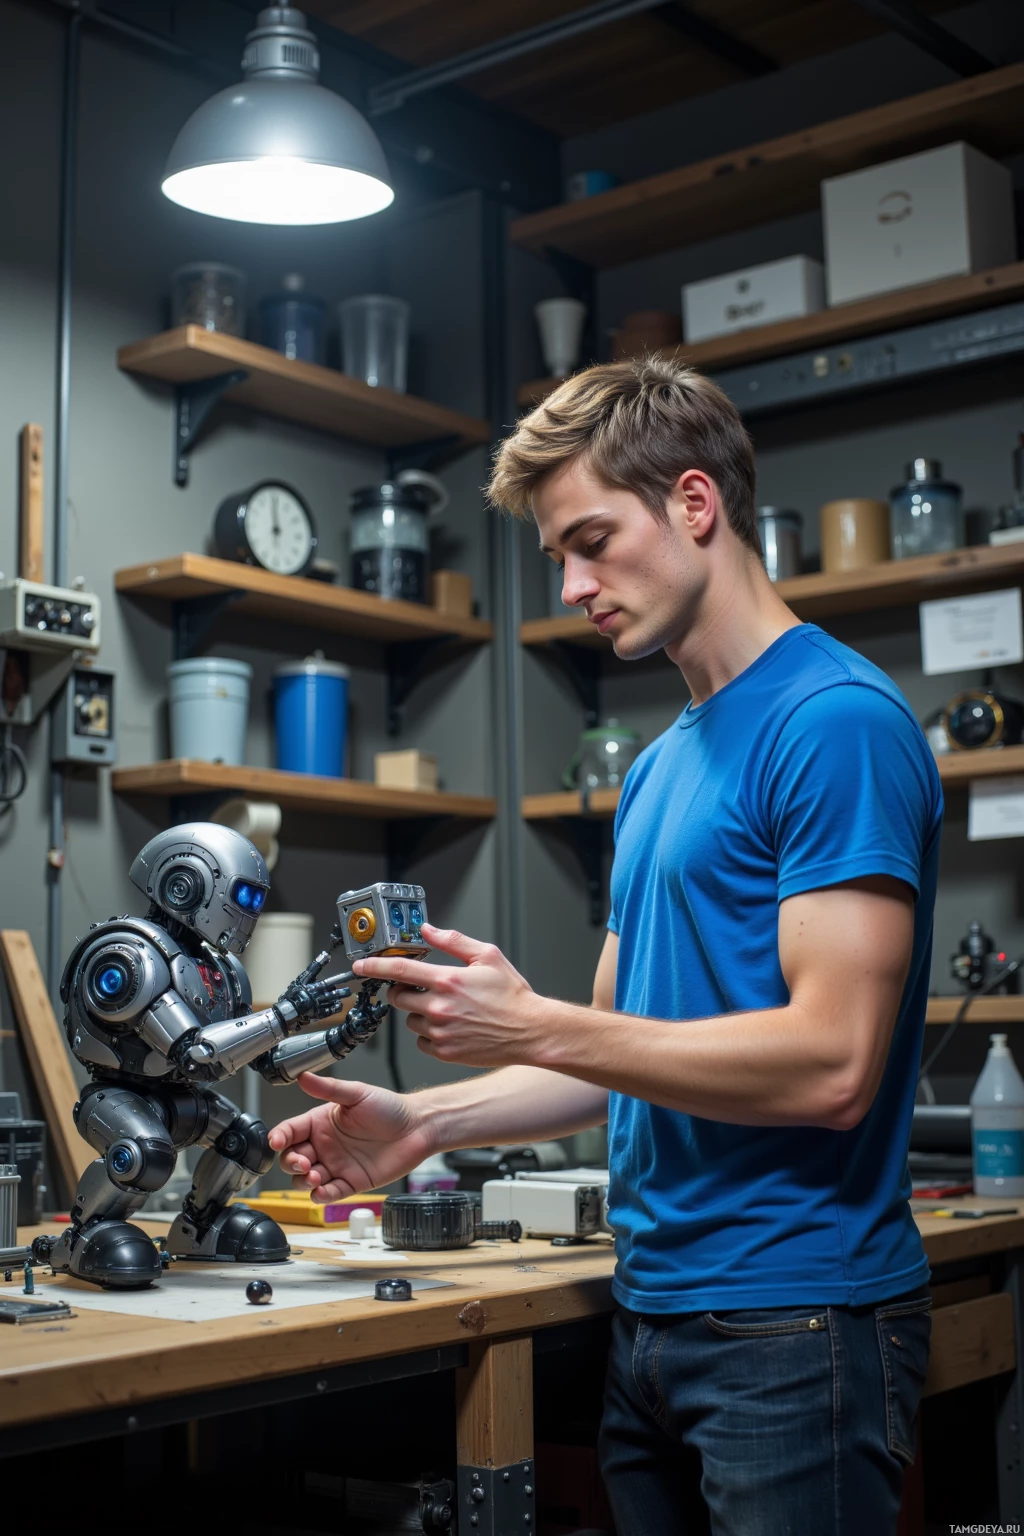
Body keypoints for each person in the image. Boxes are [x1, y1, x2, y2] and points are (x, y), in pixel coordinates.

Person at [269, 358, 942, 1535]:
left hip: (794, 1322)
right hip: (651, 1319)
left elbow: (833, 1065)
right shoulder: (659, 769)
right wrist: (427, 1121)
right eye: (557, 558)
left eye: (591, 542)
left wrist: (533, 1021)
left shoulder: (833, 724)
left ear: (695, 503)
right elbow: (614, 1054)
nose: (573, 586)